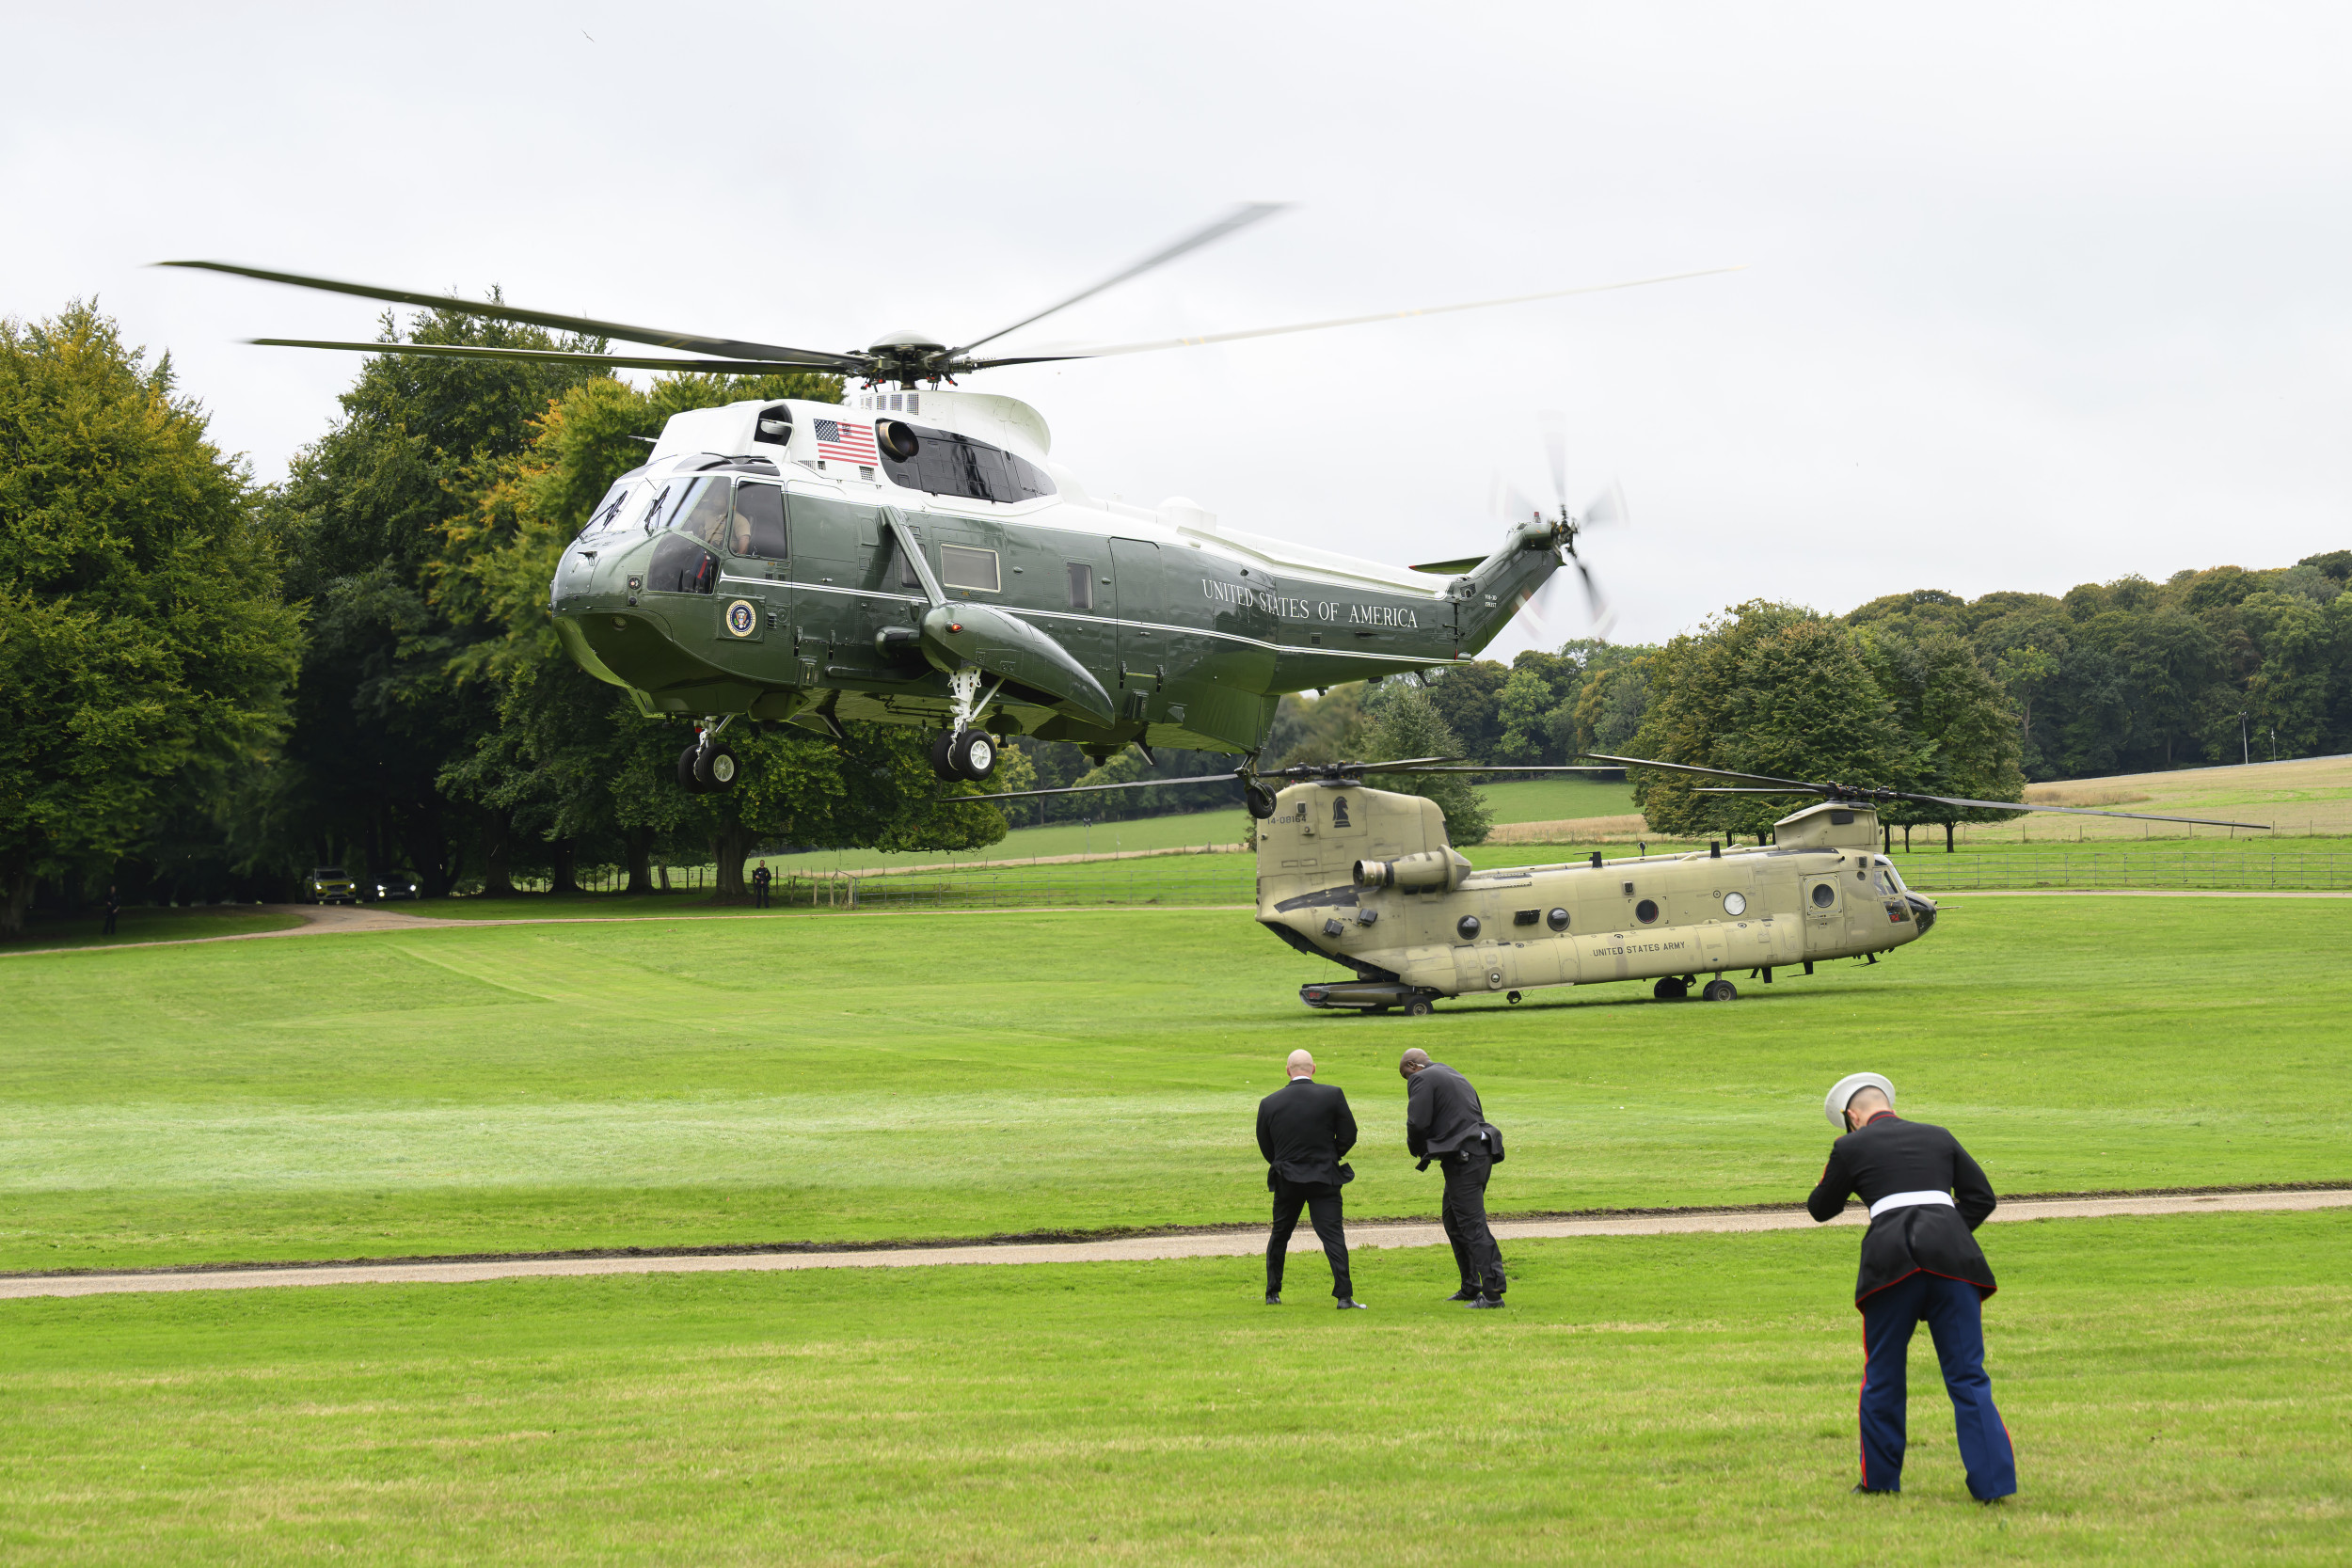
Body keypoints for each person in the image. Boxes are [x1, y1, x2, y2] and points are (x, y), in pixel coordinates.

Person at [1809, 1072, 2017, 1502]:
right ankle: (1994, 1487)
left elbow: (1821, 1209)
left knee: (1883, 1375)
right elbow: (1983, 1198)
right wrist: (1945, 1232)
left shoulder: (1850, 1145)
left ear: (1852, 1116)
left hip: (1891, 1265)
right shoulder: (1939, 1135)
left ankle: (1880, 1482)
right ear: (1888, 1102)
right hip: (1954, 1262)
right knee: (1968, 1377)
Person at [1256, 1049, 1365, 1309]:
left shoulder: (1270, 1102)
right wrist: (1330, 1155)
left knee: (1280, 1234)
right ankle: (1344, 1296)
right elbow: (1349, 1133)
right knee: (1333, 1235)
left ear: (1287, 1070)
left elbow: (1265, 1144)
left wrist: (1282, 1161)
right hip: (1324, 1177)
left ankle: (1273, 1293)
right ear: (1313, 1069)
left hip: (1287, 1178)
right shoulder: (1332, 1095)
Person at [1399, 1047, 1506, 1307]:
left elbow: (1418, 1122)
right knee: (1453, 1220)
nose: (1408, 1081)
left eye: (1406, 1075)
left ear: (1413, 1066)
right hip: (1479, 1152)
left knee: (1472, 1224)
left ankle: (1492, 1294)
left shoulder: (1422, 1078)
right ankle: (1471, 1285)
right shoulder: (1453, 1073)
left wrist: (1416, 1148)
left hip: (1464, 1157)